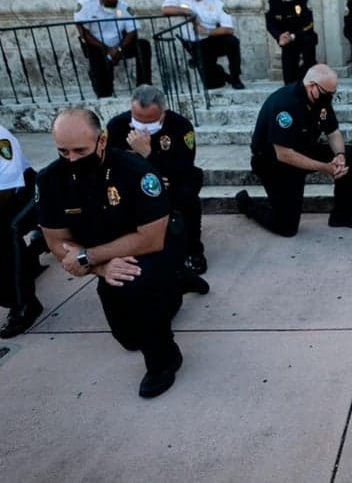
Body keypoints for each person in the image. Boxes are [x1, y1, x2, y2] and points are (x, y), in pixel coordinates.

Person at [37, 108, 184, 398]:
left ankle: (165, 359)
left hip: (156, 246)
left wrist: (90, 257)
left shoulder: (135, 171)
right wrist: (99, 267)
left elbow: (151, 238)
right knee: (129, 339)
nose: (72, 159)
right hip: (104, 257)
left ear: (102, 141)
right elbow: (57, 242)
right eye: (63, 151)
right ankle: (174, 288)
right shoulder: (50, 180)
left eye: (80, 150)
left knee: (134, 286)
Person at [236, 64, 352, 236]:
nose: (329, 97)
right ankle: (247, 204)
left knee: (349, 152)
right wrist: (325, 168)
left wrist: (339, 156)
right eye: (327, 93)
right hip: (274, 163)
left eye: (332, 93)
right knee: (286, 227)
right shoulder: (285, 104)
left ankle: (344, 214)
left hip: (303, 149)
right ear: (311, 85)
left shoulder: (320, 99)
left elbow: (333, 132)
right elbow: (284, 154)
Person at [106, 85, 208, 277]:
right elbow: (110, 166)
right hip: (133, 185)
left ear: (163, 113)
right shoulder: (117, 127)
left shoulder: (180, 126)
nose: (143, 128)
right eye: (138, 121)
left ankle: (193, 250)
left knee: (189, 190)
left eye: (150, 122)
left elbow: (183, 167)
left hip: (172, 180)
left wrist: (149, 154)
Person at [0, 125, 45, 339]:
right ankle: (32, 256)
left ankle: (25, 303)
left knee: (8, 230)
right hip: (6, 200)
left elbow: (5, 191)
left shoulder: (2, 139)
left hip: (26, 192)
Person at [162, 0, 245, 90]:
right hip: (193, 43)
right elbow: (165, 9)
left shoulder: (215, 2)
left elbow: (229, 29)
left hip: (210, 41)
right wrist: (188, 12)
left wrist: (207, 32)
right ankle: (221, 74)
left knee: (232, 41)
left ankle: (235, 77)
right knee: (211, 84)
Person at [73, 0, 152, 98]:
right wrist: (106, 49)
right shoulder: (86, 5)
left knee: (143, 46)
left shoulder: (123, 7)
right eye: (108, 5)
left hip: (119, 43)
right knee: (102, 82)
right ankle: (104, 93)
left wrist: (119, 48)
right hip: (95, 45)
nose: (112, 8)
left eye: (114, 4)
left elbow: (132, 31)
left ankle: (144, 88)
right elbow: (83, 32)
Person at [266, 0, 318, 85]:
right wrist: (279, 36)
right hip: (285, 39)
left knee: (309, 62)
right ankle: (292, 85)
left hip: (303, 37)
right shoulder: (273, 2)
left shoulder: (302, 1)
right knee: (289, 72)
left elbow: (309, 24)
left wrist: (293, 36)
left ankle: (305, 81)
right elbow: (270, 24)